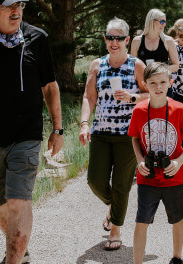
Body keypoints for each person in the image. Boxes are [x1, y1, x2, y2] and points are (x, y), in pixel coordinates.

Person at [0, 0, 64, 264]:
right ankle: (18, 250)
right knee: (1, 206)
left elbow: (50, 86)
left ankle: (13, 257)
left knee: (18, 202)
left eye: (20, 5)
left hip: (27, 135)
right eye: (10, 5)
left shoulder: (37, 38)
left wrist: (57, 128)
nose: (17, 11)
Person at [79, 17, 148, 251]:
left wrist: (134, 97)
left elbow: (153, 93)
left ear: (127, 40)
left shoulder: (137, 65)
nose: (114, 42)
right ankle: (114, 207)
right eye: (110, 37)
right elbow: (89, 97)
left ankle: (115, 231)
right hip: (101, 132)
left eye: (119, 38)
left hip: (128, 134)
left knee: (121, 184)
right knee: (95, 180)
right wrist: (84, 124)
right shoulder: (97, 65)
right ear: (105, 39)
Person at [129, 63, 183, 264]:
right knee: (141, 221)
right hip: (147, 177)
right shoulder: (139, 110)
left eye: (162, 82)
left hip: (174, 175)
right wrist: (140, 161)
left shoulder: (179, 109)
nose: (158, 87)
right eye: (152, 83)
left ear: (170, 83)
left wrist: (179, 161)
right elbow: (134, 138)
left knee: (177, 219)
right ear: (144, 85)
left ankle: (177, 258)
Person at [130, 9, 179, 96]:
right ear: (151, 21)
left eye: (165, 22)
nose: (164, 24)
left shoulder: (168, 41)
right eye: (162, 21)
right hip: (144, 88)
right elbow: (132, 66)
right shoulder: (137, 41)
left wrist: (159, 71)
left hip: (163, 88)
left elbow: (176, 65)